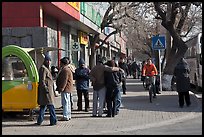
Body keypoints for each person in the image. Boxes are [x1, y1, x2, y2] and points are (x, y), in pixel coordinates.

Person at [36, 53, 57, 126]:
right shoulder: (43, 68)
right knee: (50, 106)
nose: (49, 62)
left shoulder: (47, 68)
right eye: (47, 60)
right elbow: (42, 80)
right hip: (46, 91)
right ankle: (53, 120)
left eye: (50, 61)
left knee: (43, 106)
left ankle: (40, 121)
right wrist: (45, 89)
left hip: (48, 90)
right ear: (45, 61)